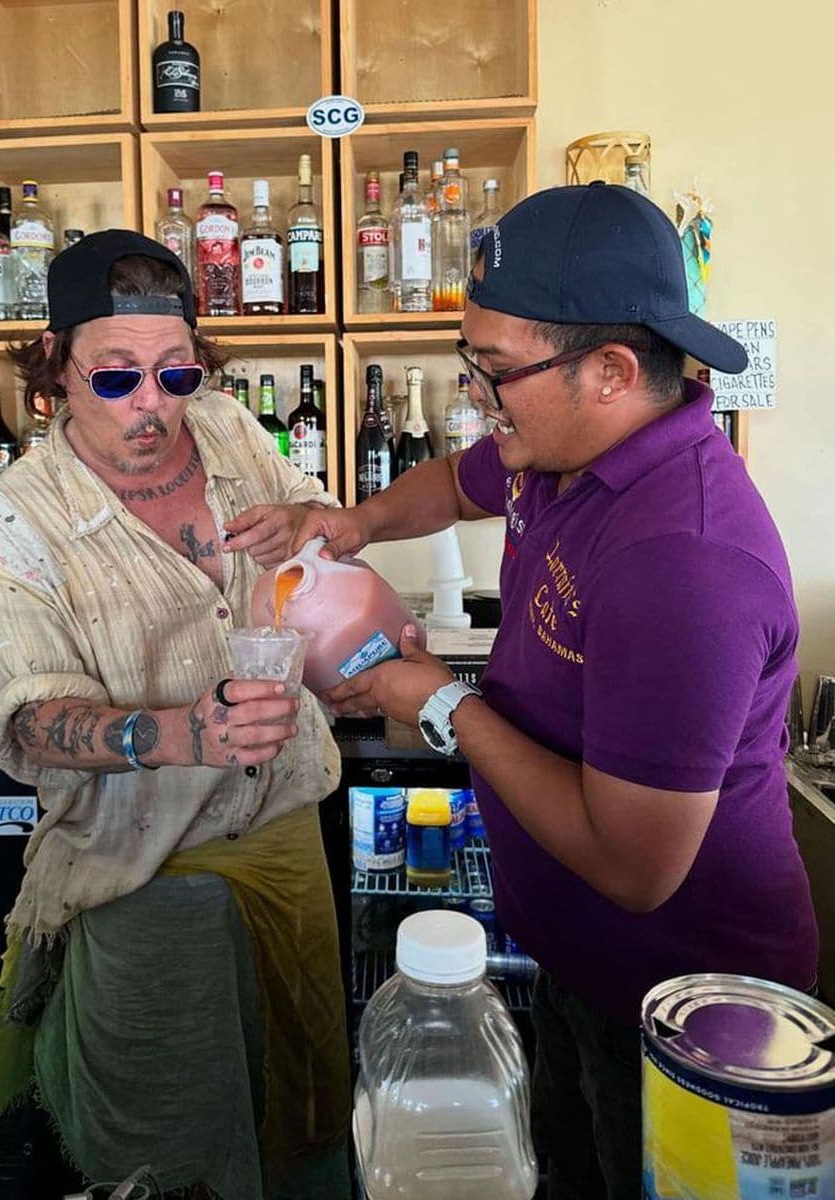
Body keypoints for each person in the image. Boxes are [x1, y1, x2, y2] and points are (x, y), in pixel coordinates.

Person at [290, 183, 819, 1200]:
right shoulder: (563, 451)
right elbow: (457, 479)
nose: (475, 397)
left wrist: (441, 702)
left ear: (612, 371)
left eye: (493, 372)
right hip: (583, 967)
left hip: (683, 1016)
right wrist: (352, 525)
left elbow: (634, 867)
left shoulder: (685, 560)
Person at [0, 229, 350, 1200]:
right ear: (54, 363)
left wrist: (306, 526)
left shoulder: (225, 427)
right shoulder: (22, 516)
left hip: (278, 819)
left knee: (302, 1096)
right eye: (116, 377)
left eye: (175, 373)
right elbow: (33, 721)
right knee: (169, 1138)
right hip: (134, 853)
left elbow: (316, 520)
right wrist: (178, 734)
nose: (152, 404)